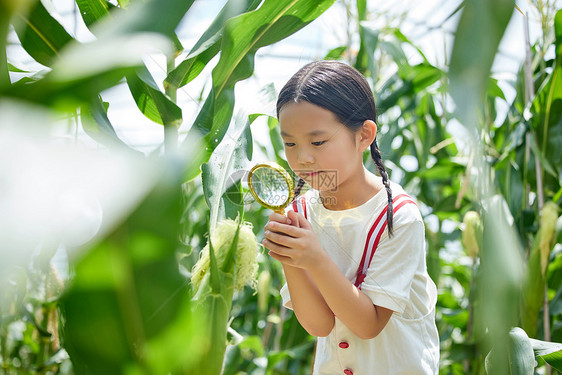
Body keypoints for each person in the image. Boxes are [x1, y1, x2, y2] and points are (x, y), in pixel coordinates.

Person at [261, 60, 439, 375]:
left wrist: (312, 258)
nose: (302, 158)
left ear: (363, 136)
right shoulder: (301, 213)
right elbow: (318, 325)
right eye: (290, 143)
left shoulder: (398, 216)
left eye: (318, 142)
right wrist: (290, 257)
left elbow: (368, 324)